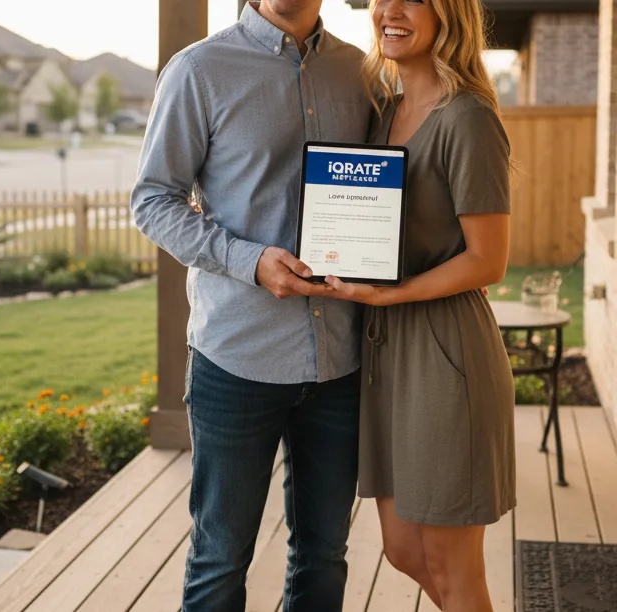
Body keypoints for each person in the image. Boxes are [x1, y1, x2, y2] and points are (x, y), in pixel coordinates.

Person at [131, 1, 370, 610]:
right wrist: (249, 261)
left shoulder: (362, 73)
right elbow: (153, 201)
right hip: (236, 359)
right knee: (220, 560)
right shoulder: (199, 69)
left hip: (339, 363)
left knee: (324, 555)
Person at [322, 1, 516, 611]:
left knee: (454, 569)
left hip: (445, 351)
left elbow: (489, 261)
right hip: (384, 352)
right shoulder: (382, 112)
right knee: (404, 549)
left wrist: (392, 293)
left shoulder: (467, 118)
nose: (390, 9)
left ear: (447, 14)